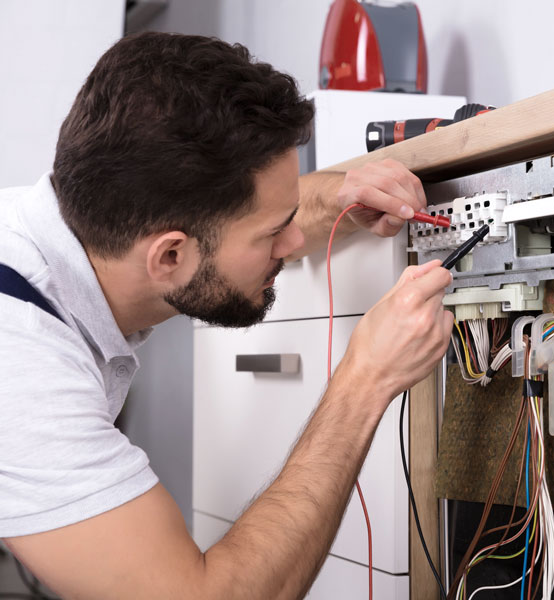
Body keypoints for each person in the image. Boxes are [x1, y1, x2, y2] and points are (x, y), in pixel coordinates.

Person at [0, 32, 452, 598]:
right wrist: (365, 381)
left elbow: (232, 222)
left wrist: (337, 198)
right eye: (273, 232)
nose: (292, 242)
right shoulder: (21, 364)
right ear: (168, 255)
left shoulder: (55, 230)